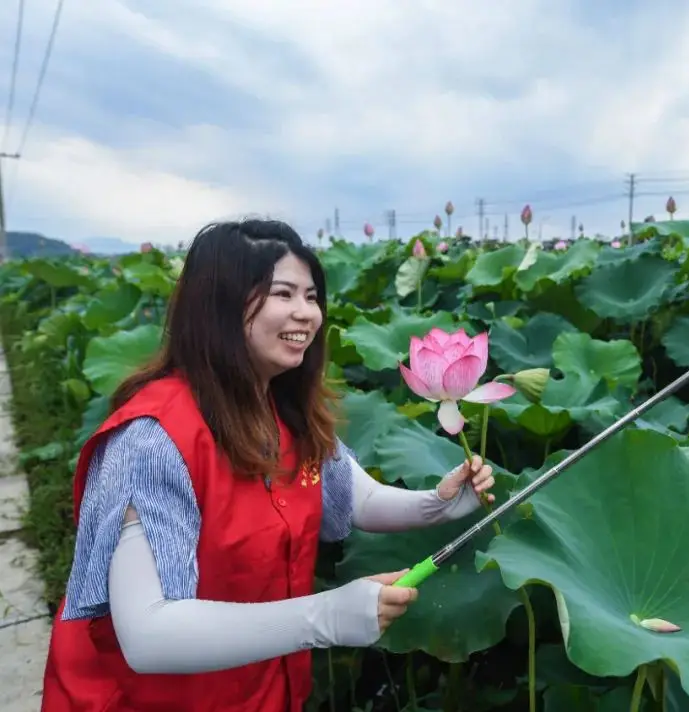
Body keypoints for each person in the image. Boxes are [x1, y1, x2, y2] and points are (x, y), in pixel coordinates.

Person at [39, 219, 496, 712]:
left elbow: (353, 496)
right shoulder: (151, 440)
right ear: (220, 306)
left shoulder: (280, 406)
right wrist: (325, 616)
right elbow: (149, 632)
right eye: (284, 294)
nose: (307, 313)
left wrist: (438, 506)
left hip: (263, 691)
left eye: (312, 296)